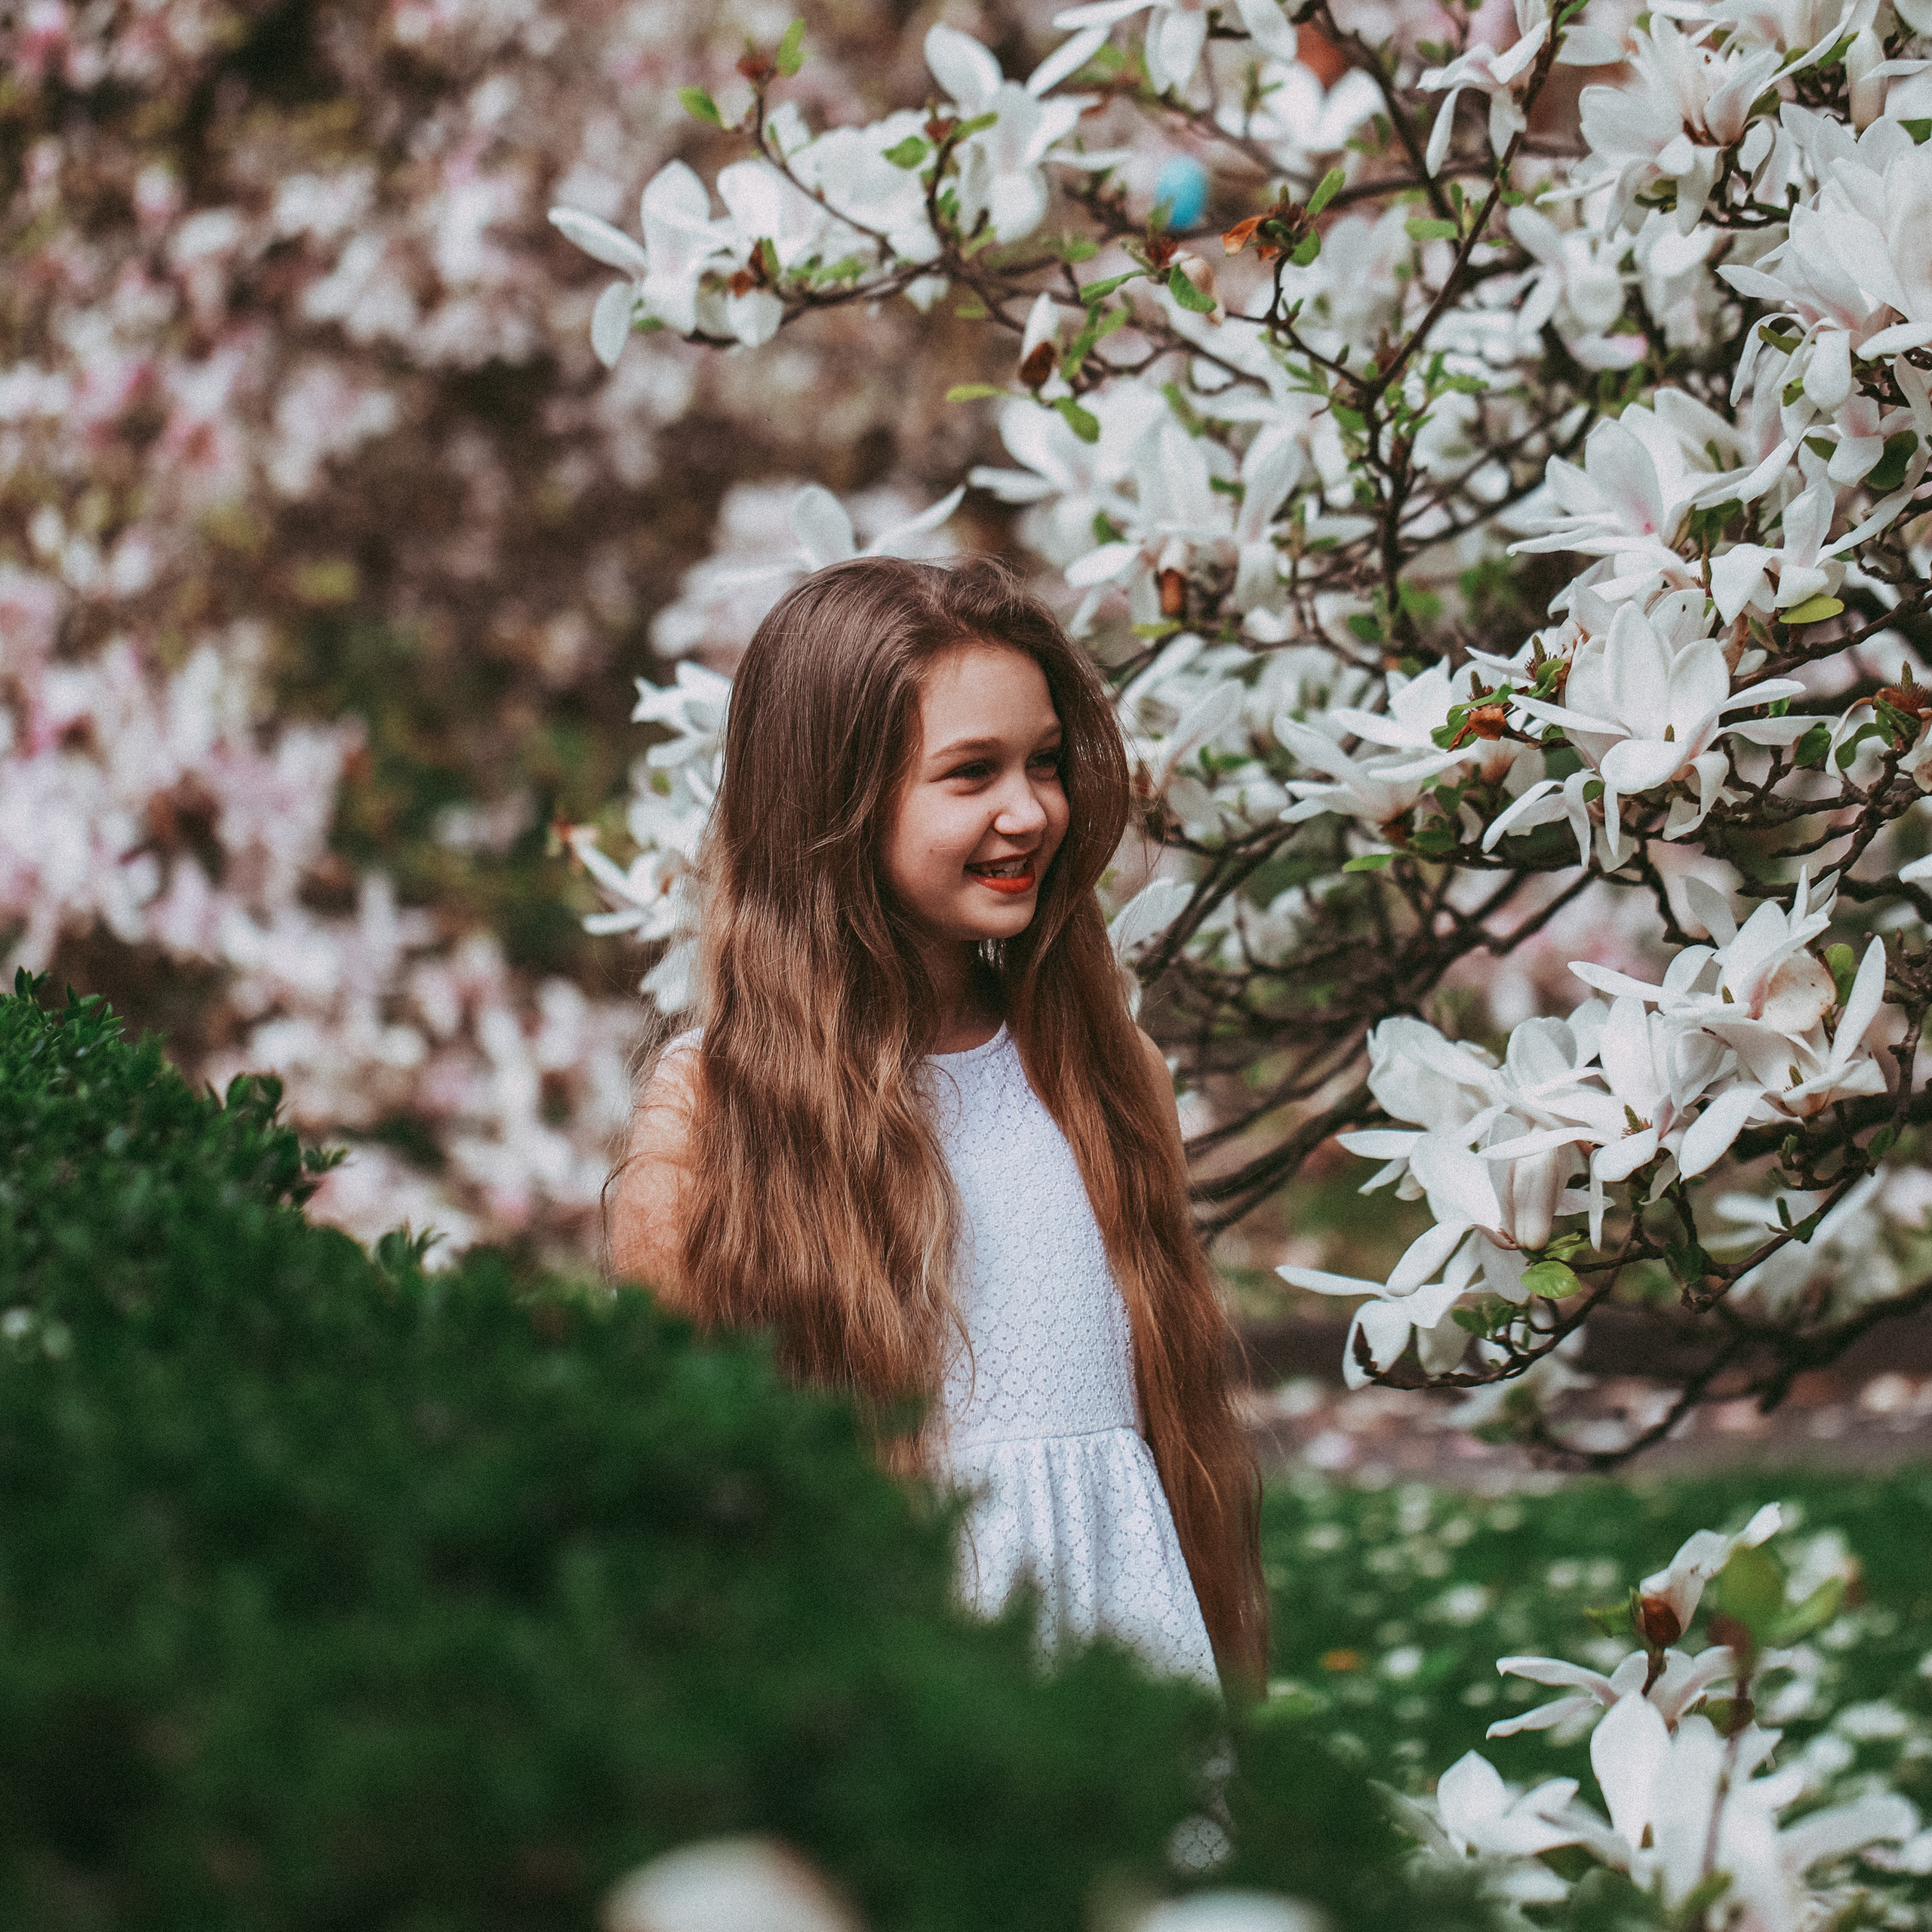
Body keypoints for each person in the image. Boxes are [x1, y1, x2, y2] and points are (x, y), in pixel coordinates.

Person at [606, 554, 1266, 1697]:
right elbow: (681, 1498)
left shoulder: (1108, 1079)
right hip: (893, 1702)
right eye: (972, 774)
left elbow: (1171, 1448)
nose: (1031, 812)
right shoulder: (715, 1119)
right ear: (836, 805)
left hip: (1130, 1686)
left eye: (1047, 763)